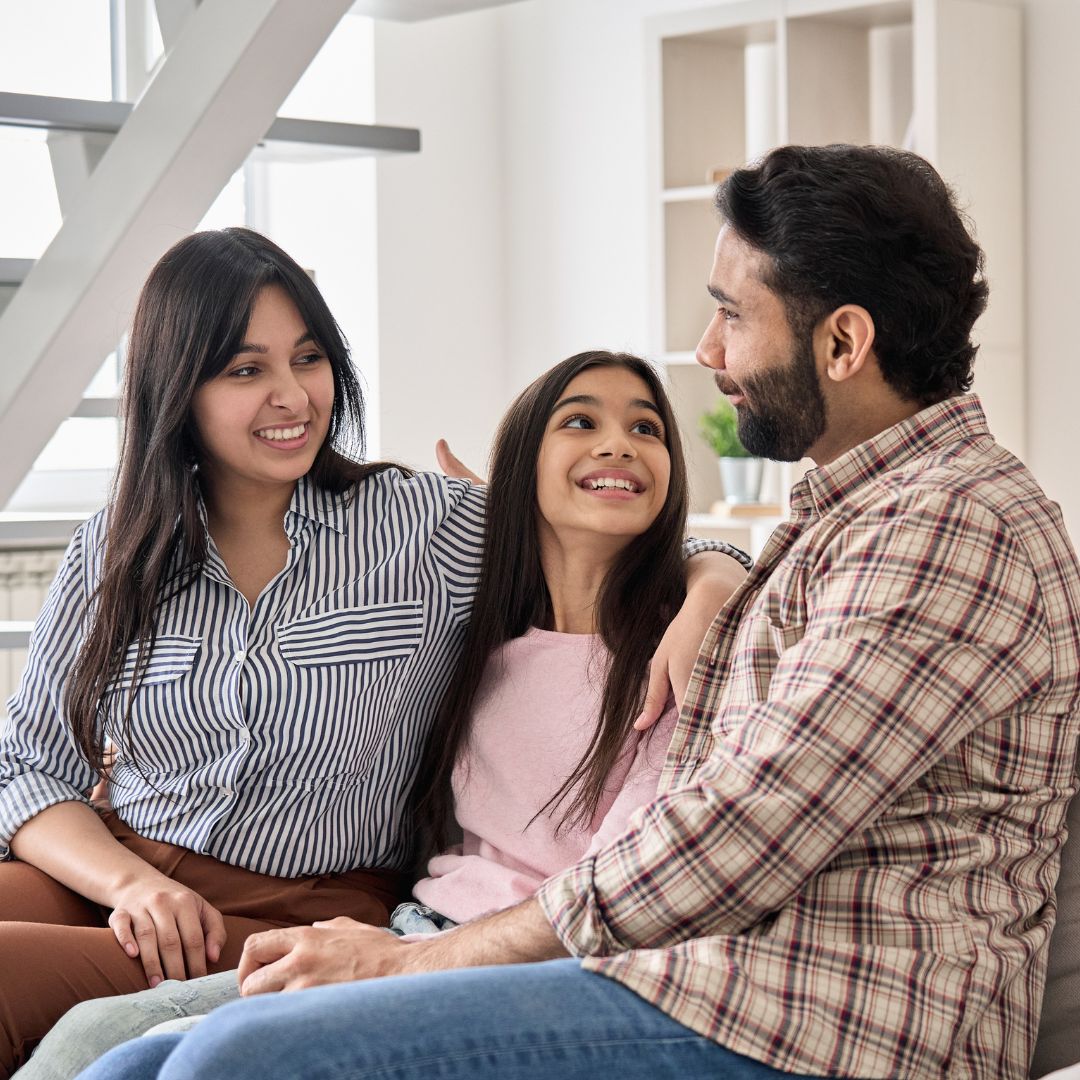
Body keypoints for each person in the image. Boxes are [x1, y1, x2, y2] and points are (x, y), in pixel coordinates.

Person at [81, 144, 1080, 1080]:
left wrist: (411, 965)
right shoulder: (849, 519)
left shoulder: (953, 526)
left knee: (240, 1057)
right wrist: (711, 570)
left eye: (733, 315)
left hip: (823, 1023)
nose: (708, 348)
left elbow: (746, 829)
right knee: (126, 1066)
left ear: (844, 341)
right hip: (703, 984)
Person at [0, 231, 745, 1078]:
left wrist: (714, 584)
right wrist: (129, 885)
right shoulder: (114, 548)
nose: (291, 396)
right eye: (246, 371)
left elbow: (623, 528)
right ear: (181, 390)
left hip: (300, 903)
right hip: (121, 865)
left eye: (308, 359)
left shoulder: (423, 525)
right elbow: (28, 766)